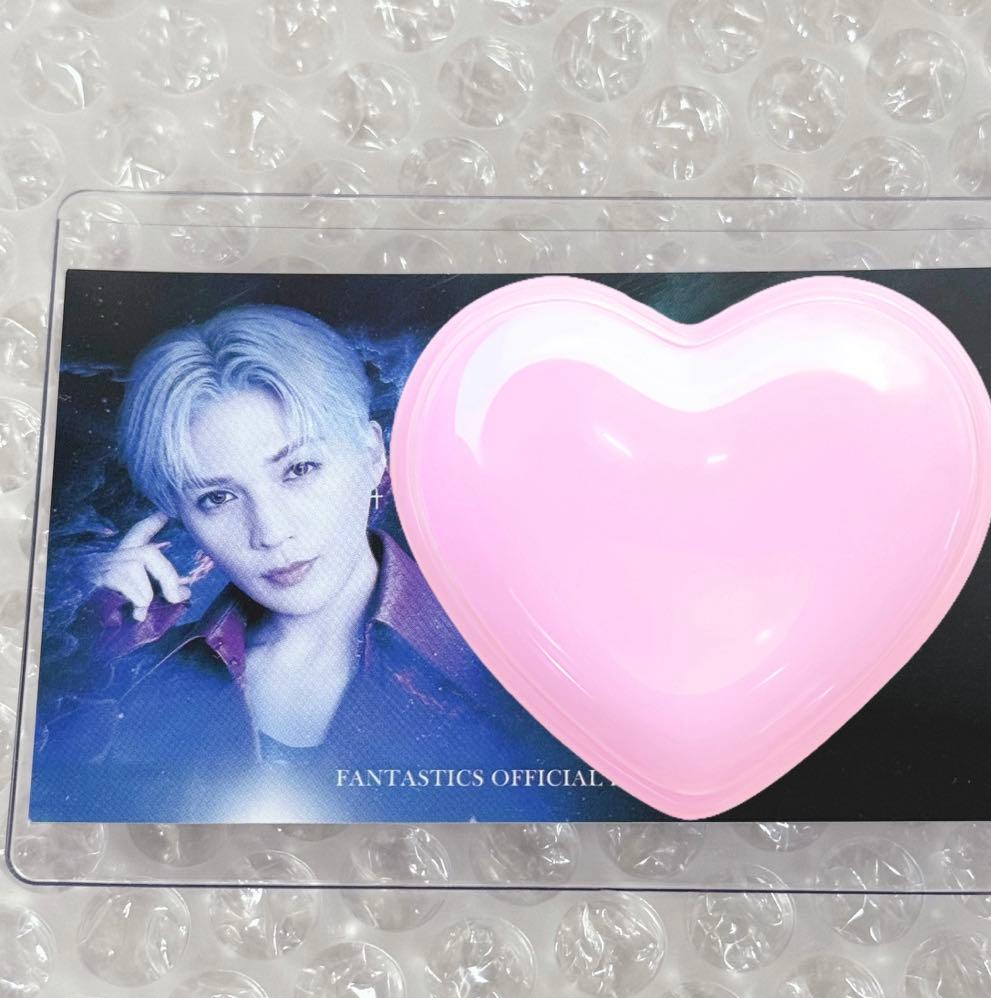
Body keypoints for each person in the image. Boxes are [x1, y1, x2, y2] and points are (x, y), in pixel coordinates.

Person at [33, 303, 608, 823]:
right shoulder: (134, 670)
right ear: (181, 517)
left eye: (300, 469)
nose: (271, 531)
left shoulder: (507, 652)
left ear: (372, 455)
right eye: (218, 497)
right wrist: (79, 650)